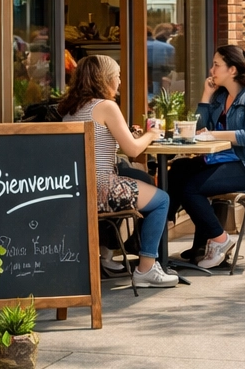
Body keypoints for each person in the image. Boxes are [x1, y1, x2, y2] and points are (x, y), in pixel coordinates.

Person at [58, 56, 177, 289]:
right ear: (105, 78)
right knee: (162, 199)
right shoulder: (106, 106)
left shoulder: (69, 110)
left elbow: (105, 144)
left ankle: (114, 254)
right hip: (102, 187)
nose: (120, 81)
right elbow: (133, 150)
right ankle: (146, 268)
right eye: (118, 75)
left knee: (139, 181)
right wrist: (151, 134)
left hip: (76, 188)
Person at [167, 45, 245, 270]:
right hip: (224, 160)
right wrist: (206, 95)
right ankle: (161, 233)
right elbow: (197, 127)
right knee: (177, 169)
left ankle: (219, 239)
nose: (211, 69)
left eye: (216, 64)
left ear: (232, 70)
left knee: (190, 187)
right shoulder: (220, 96)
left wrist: (212, 134)